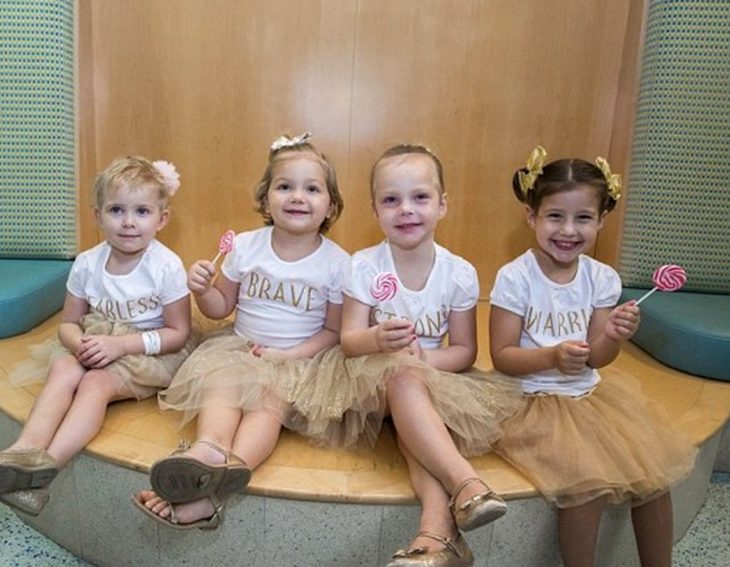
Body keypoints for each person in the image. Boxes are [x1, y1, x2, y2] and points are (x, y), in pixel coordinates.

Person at [489, 146, 698, 567]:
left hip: (590, 397)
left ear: (602, 220)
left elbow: (598, 359)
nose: (568, 230)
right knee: (585, 487)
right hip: (532, 400)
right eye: (555, 216)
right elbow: (503, 356)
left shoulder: (602, 278)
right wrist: (551, 356)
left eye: (583, 218)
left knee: (654, 480)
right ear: (531, 216)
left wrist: (614, 336)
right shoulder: (515, 276)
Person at [133, 132, 349, 530]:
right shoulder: (247, 246)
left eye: (312, 189)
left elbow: (334, 332)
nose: (297, 197)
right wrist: (202, 289)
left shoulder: (337, 263)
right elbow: (221, 309)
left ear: (331, 205)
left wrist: (288, 356)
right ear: (266, 199)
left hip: (299, 358)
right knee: (221, 383)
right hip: (239, 345)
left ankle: (222, 482)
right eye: (284, 187)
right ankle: (209, 449)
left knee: (268, 406)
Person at [334, 145, 523, 567]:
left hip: (434, 379)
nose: (406, 210)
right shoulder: (364, 266)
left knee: (413, 425)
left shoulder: (459, 272)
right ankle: (466, 483)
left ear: (443, 205)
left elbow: (465, 350)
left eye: (420, 197)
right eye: (390, 200)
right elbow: (348, 340)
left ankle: (435, 537)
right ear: (375, 210)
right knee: (402, 377)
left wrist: (426, 359)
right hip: (370, 382)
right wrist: (378, 339)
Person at [0, 156, 194, 515]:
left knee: (94, 384)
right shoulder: (87, 263)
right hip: (99, 340)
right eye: (116, 210)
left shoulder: (165, 266)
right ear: (97, 215)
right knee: (63, 369)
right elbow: (68, 324)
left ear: (161, 218)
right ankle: (23, 452)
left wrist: (120, 345)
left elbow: (178, 333)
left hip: (150, 350)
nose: (128, 222)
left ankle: (44, 473)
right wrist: (80, 346)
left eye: (142, 211)